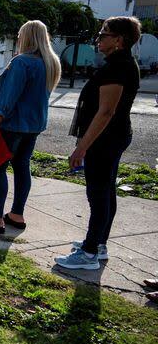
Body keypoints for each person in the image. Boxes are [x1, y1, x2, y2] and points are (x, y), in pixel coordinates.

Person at [56, 17, 141, 270]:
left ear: (119, 40)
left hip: (106, 139)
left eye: (104, 34)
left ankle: (90, 252)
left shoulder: (118, 67)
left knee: (98, 194)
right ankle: (98, 244)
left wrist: (82, 147)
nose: (99, 38)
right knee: (105, 192)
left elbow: (106, 111)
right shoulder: (118, 63)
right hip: (112, 136)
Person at [0, 21, 61, 234]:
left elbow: (8, 100)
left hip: (12, 124)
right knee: (22, 167)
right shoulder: (50, 63)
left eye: (20, 35)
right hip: (34, 125)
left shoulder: (21, 62)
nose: (18, 39)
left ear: (27, 37)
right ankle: (16, 214)